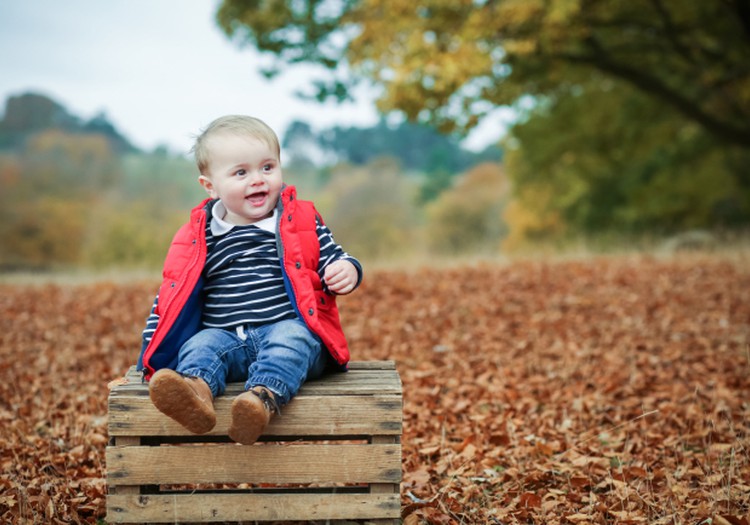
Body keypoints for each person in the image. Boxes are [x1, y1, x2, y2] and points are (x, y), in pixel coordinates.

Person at [137, 115, 362, 445]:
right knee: (200, 345)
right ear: (210, 185)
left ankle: (260, 400)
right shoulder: (199, 237)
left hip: (286, 333)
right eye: (241, 173)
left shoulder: (299, 220)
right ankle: (195, 392)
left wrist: (348, 270)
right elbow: (169, 299)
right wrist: (147, 360)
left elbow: (334, 256)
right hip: (227, 339)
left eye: (267, 167)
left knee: (293, 337)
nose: (258, 180)